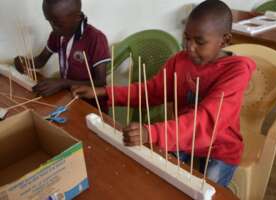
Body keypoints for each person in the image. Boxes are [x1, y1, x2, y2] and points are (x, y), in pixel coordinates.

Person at [72, 0, 256, 187]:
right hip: (182, 141)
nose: (189, 47)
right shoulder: (180, 61)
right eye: (187, 38)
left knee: (205, 192)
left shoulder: (236, 72)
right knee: (159, 185)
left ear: (224, 40)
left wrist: (151, 133)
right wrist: (104, 92)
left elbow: (206, 120)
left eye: (199, 42)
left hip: (219, 150)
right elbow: (150, 91)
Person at [14, 0, 110, 111]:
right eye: (49, 21)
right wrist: (25, 62)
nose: (53, 27)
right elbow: (40, 61)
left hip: (92, 107)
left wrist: (63, 83)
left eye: (58, 23)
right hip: (69, 99)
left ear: (77, 17)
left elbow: (100, 82)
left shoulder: (96, 39)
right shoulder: (57, 34)